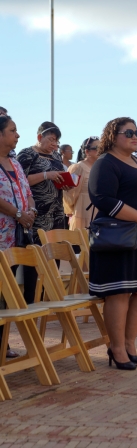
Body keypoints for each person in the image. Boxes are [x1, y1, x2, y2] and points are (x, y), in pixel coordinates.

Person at [88, 117, 137, 370]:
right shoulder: (105, 163)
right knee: (118, 293)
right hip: (115, 238)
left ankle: (130, 343)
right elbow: (103, 198)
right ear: (113, 135)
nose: (135, 136)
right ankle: (117, 348)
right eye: (129, 132)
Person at [17, 122, 69, 304]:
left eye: (57, 140)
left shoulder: (56, 155)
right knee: (34, 256)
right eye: (52, 139)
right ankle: (31, 300)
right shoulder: (27, 154)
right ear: (40, 137)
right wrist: (47, 175)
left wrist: (67, 182)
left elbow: (60, 176)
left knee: (54, 253)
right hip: (37, 213)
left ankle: (50, 298)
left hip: (56, 212)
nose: (55, 144)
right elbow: (20, 182)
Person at [0, 115, 37, 359]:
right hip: (2, 236)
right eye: (13, 130)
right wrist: (18, 213)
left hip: (18, 237)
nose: (17, 135)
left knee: (7, 291)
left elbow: (27, 191)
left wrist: (31, 210)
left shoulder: (15, 162)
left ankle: (3, 345)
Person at [63, 137, 99, 230]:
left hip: (99, 216)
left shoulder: (102, 169)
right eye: (97, 148)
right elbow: (69, 194)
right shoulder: (77, 167)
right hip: (82, 214)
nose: (101, 151)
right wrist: (71, 213)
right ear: (87, 151)